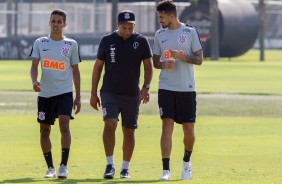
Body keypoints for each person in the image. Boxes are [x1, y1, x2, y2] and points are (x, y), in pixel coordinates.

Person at [90, 10, 153, 179]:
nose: (127, 31)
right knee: (110, 123)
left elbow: (148, 66)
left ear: (134, 26)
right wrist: (93, 93)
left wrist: (146, 87)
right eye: (124, 27)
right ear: (118, 25)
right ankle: (110, 165)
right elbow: (97, 67)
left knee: (129, 130)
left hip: (132, 94)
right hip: (109, 92)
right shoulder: (107, 40)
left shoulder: (141, 41)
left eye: (130, 27)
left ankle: (125, 168)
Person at [152, 0, 203, 181]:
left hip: (186, 89)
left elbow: (199, 59)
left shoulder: (189, 32)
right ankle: (166, 170)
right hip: (166, 87)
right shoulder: (159, 34)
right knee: (167, 125)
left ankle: (186, 163)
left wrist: (183, 57)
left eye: (162, 17)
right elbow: (155, 61)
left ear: (171, 15)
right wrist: (164, 64)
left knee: (188, 130)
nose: (160, 20)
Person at [29, 9, 81, 179]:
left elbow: (76, 71)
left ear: (65, 24)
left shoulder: (71, 44)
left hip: (65, 92)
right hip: (45, 94)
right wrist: (35, 82)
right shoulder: (40, 42)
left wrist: (78, 96)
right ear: (49, 22)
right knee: (44, 130)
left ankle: (63, 166)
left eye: (60, 22)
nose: (56, 24)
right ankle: (50, 168)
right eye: (54, 21)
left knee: (64, 126)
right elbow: (34, 67)